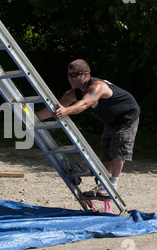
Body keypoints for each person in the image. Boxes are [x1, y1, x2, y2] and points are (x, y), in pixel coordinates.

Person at [37, 59, 140, 197]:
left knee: (119, 144)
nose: (70, 78)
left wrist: (66, 111)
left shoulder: (97, 86)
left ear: (85, 75)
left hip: (127, 115)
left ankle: (113, 185)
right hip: (111, 119)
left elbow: (85, 103)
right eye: (68, 75)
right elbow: (52, 110)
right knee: (106, 148)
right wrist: (31, 119)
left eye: (74, 75)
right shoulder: (72, 93)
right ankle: (103, 185)